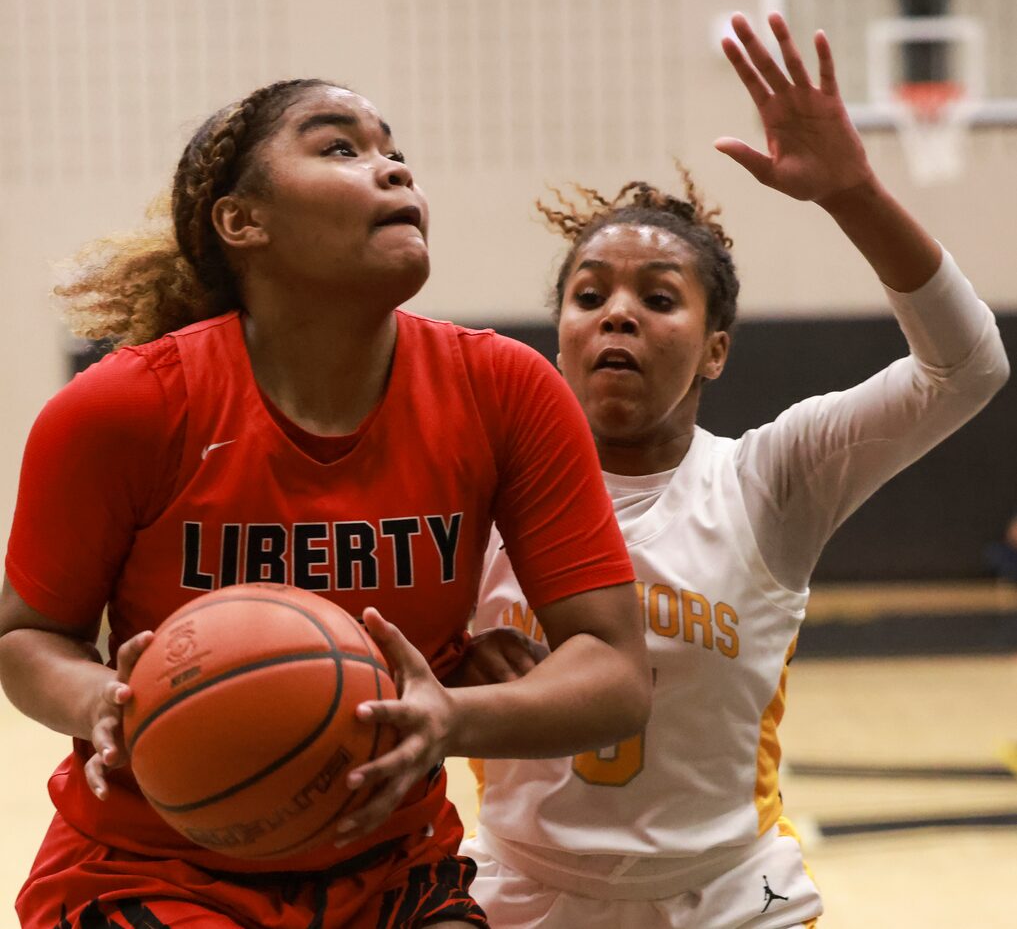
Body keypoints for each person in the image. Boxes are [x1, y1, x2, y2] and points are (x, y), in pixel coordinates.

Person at [0, 78, 652, 928]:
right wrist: (98, 702)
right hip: (149, 867)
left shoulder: (506, 389)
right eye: (341, 148)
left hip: (391, 866)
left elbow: (612, 668)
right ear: (243, 222)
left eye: (394, 150)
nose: (393, 170)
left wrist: (451, 715)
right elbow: (23, 637)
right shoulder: (124, 408)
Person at [460, 12, 1009, 929]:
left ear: (715, 351)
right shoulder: (480, 488)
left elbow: (967, 366)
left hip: (726, 896)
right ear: (557, 335)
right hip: (522, 889)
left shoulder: (770, 477)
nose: (617, 315)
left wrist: (853, 193)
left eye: (658, 298)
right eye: (588, 295)